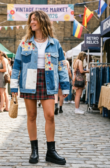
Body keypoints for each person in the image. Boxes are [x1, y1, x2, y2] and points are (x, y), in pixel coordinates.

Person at [10, 10, 69, 165]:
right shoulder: (25, 43)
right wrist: (14, 87)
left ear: (43, 21)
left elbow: (62, 66)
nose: (32, 22)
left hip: (48, 80)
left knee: (50, 115)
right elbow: (16, 66)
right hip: (29, 81)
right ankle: (34, 151)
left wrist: (65, 86)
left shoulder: (54, 43)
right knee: (31, 116)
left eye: (35, 19)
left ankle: (51, 151)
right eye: (31, 20)